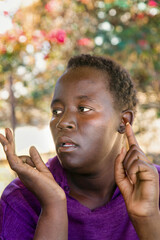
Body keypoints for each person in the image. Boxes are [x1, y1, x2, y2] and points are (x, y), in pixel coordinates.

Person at [0, 54, 160, 240]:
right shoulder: (22, 198)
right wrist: (53, 206)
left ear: (123, 121)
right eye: (57, 111)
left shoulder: (153, 187)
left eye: (83, 109)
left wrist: (147, 218)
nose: (63, 121)